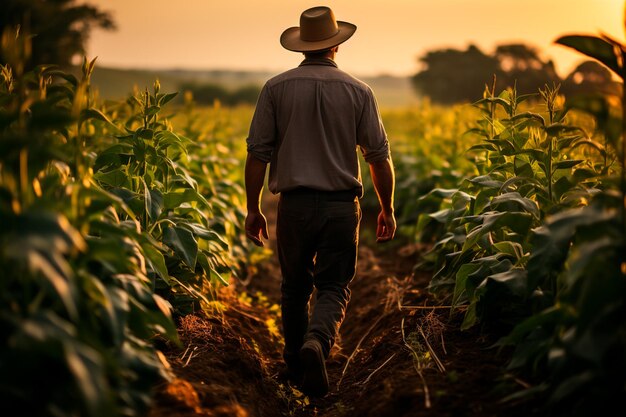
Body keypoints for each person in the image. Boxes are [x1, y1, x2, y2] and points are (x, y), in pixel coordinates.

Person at [244, 5, 396, 397]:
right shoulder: (359, 91)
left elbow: (258, 154)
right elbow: (378, 156)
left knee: (294, 287)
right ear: (336, 47)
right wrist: (387, 209)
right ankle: (318, 342)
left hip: (292, 207)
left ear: (302, 48)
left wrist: (253, 208)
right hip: (341, 207)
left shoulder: (275, 88)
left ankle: (294, 365)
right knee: (333, 286)